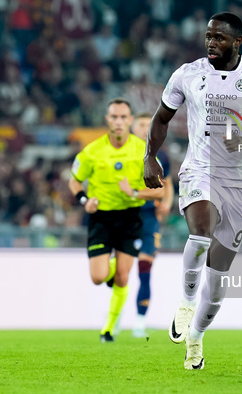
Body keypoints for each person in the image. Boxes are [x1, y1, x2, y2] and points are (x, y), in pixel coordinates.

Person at [143, 12, 242, 369]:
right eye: (208, 36)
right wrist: (149, 157)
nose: (211, 43)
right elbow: (161, 118)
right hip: (201, 168)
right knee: (200, 230)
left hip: (241, 181)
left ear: (237, 42)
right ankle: (186, 303)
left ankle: (197, 339)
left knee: (217, 278)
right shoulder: (188, 74)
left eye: (219, 38)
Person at [69, 98, 164, 343]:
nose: (119, 122)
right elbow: (74, 180)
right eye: (114, 117)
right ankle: (110, 268)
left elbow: (160, 190)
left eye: (124, 117)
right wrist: (83, 200)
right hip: (101, 218)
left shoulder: (143, 151)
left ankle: (108, 329)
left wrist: (133, 192)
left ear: (130, 121)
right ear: (107, 120)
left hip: (131, 218)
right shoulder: (92, 151)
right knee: (99, 277)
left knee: (122, 277)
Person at [130, 112, 174, 338]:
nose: (144, 129)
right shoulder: (123, 154)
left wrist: (166, 203)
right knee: (120, 271)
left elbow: (167, 184)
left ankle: (139, 321)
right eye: (140, 125)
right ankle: (114, 319)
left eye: (148, 125)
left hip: (148, 218)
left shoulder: (160, 155)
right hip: (124, 216)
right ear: (132, 127)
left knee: (144, 271)